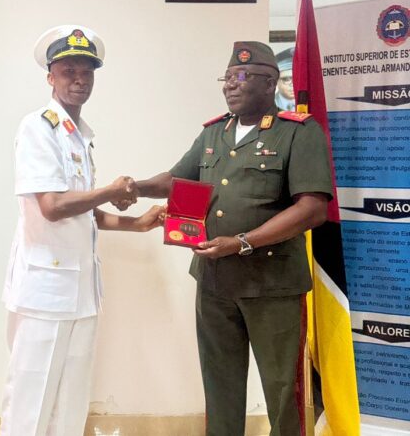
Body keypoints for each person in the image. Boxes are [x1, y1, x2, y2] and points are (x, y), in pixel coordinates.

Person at [117, 41, 333, 435]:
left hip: (272, 285)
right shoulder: (215, 132)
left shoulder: (297, 132)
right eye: (228, 77)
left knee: (282, 388)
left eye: (242, 76)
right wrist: (135, 187)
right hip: (215, 282)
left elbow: (312, 208)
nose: (231, 85)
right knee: (220, 383)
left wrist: (243, 241)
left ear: (269, 83)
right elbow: (176, 179)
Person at [0, 25, 163, 436]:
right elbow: (53, 207)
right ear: (50, 77)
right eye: (69, 71)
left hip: (82, 292)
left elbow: (84, 213)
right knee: (30, 403)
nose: (79, 80)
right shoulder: (39, 128)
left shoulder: (80, 136)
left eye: (87, 72)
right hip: (44, 292)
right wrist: (109, 191)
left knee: (71, 403)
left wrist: (137, 224)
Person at [275, 47, 295, 111]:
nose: (293, 84)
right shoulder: (268, 104)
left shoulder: (312, 102)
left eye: (296, 79)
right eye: (286, 79)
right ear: (276, 81)